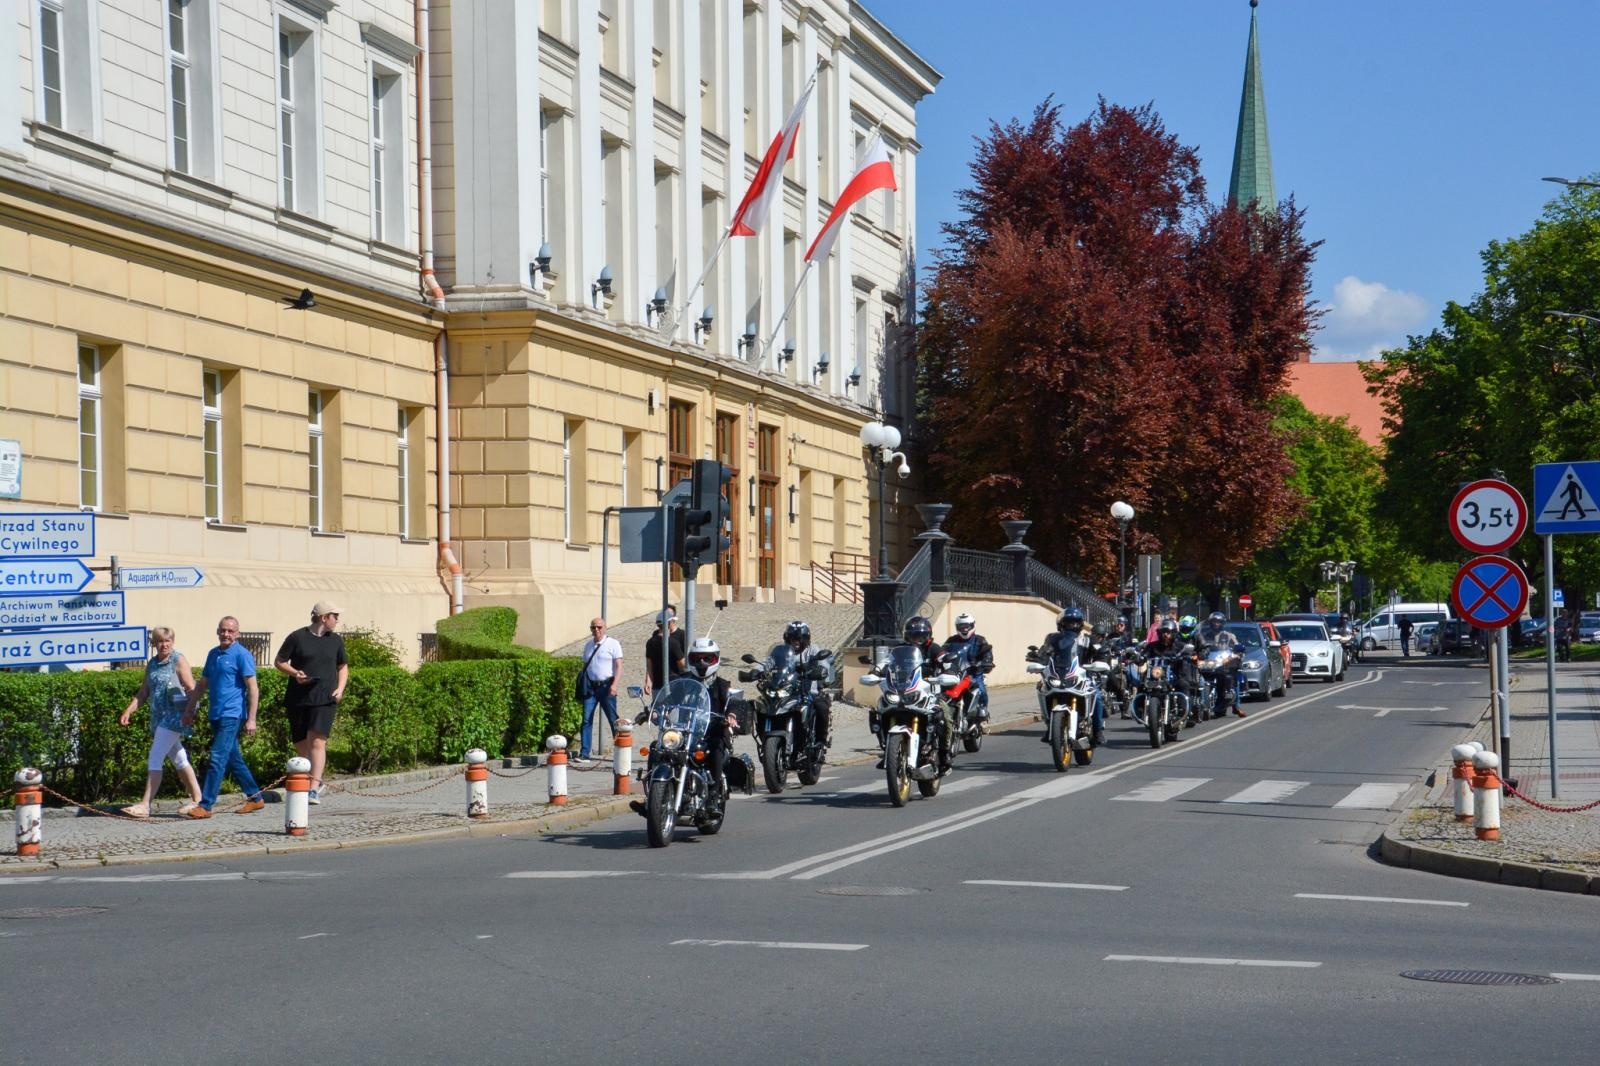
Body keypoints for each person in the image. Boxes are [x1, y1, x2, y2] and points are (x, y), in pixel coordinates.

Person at [629, 637, 752, 817]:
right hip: (685, 731)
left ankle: (713, 797)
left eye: (707, 659)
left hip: (711, 732)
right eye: (697, 658)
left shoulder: (722, 685)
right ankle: (651, 799)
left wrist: (731, 716)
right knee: (657, 747)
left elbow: (732, 702)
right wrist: (652, 711)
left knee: (717, 749)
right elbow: (667, 699)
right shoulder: (683, 682)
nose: (702, 663)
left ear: (715, 660)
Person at [117, 626, 203, 818]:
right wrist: (128, 711)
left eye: (167, 641)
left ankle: (145, 805)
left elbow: (192, 688)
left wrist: (190, 712)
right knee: (180, 759)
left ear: (173, 642)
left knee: (155, 756)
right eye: (160, 641)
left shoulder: (178, 660)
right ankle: (198, 799)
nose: (164, 645)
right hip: (158, 717)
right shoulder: (153, 664)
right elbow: (144, 692)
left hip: (174, 717)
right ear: (154, 644)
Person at [187, 616, 266, 818]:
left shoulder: (242, 655)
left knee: (217, 758)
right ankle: (256, 798)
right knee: (233, 759)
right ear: (217, 631)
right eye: (223, 630)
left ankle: (205, 806)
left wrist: (252, 718)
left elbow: (253, 688)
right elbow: (203, 683)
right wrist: (190, 708)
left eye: (231, 631)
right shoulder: (213, 654)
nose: (226, 634)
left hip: (232, 714)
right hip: (216, 714)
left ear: (237, 634)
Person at [274, 601, 349, 804]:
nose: (337, 619)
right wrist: (295, 673)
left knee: (317, 741)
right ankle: (311, 779)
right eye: (335, 615)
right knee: (301, 743)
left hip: (325, 698)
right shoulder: (297, 637)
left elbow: (342, 667)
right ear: (324, 617)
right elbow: (279, 661)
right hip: (298, 698)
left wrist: (340, 689)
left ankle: (314, 788)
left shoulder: (336, 641)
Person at [1039, 606, 1103, 744]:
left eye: (1075, 623)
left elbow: (1101, 653)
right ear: (1062, 624)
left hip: (1083, 675)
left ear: (1080, 624)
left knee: (1096, 695)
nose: (1072, 626)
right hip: (1059, 673)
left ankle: (1098, 731)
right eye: (1068, 622)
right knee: (1042, 689)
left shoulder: (1088, 640)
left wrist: (1101, 662)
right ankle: (1050, 726)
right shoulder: (1053, 639)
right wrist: (1038, 659)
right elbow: (1045, 652)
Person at [575, 617, 624, 763]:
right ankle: (585, 753)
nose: (596, 630)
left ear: (605, 628)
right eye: (593, 627)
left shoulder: (613, 644)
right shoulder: (588, 645)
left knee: (613, 719)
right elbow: (586, 665)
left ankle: (621, 751)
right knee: (586, 719)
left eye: (599, 627)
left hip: (607, 686)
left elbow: (619, 666)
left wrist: (615, 685)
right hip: (591, 687)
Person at [783, 620, 834, 744]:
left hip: (809, 692)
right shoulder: (783, 651)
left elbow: (823, 664)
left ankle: (820, 740)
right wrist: (758, 670)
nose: (795, 641)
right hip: (787, 692)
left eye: (799, 638)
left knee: (821, 707)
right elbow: (769, 661)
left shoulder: (813, 650)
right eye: (792, 638)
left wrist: (820, 671)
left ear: (805, 639)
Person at [942, 612, 995, 720]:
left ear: (972, 626)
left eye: (966, 626)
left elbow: (987, 653)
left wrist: (986, 661)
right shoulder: (951, 641)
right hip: (955, 673)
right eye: (961, 626)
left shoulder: (980, 640)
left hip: (973, 673)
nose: (964, 629)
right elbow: (942, 652)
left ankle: (982, 709)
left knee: (981, 690)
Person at [1196, 611, 1245, 718]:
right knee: (1200, 680)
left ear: (1222, 623)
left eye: (1218, 622)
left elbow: (1238, 648)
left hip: (1224, 665)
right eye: (1214, 621)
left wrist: (1237, 654)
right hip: (1209, 664)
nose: (1216, 624)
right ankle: (1201, 705)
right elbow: (1198, 648)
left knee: (1233, 677)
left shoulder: (1229, 636)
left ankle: (1236, 706)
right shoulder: (1204, 636)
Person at [642, 608, 687, 696]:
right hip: (674, 686)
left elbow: (649, 664)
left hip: (657, 686)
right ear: (669, 623)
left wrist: (648, 681)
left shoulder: (650, 642)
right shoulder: (673, 643)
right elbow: (683, 664)